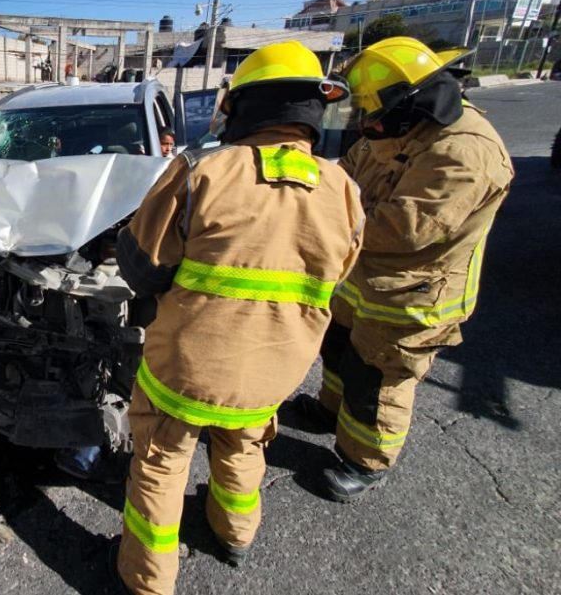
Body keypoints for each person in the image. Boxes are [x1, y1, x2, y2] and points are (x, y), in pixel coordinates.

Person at [111, 41, 365, 595]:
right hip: (274, 368)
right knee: (244, 446)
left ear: (243, 105)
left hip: (185, 370)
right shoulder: (343, 189)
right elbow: (339, 274)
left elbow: (144, 267)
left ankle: (148, 578)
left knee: (161, 462)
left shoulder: (201, 171)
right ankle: (235, 535)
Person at [294, 36, 513, 502]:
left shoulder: (464, 153)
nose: (366, 126)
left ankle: (365, 460)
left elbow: (403, 229)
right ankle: (330, 412)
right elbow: (342, 175)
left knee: (377, 378)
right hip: (362, 280)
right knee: (339, 350)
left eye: (372, 116)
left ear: (411, 104)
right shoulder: (396, 130)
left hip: (412, 296)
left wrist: (316, 224)